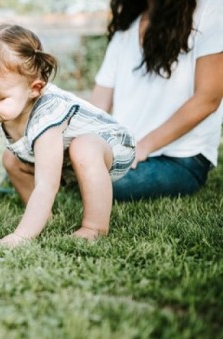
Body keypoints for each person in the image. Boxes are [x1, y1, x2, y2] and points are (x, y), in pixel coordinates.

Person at [0, 24, 136, 246]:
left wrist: (20, 236)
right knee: (11, 158)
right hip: (67, 154)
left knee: (83, 148)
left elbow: (46, 184)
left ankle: (94, 226)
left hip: (111, 145)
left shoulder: (47, 115)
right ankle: (44, 217)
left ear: (34, 88)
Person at [89, 0, 223, 201]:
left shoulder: (211, 11)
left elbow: (208, 99)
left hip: (182, 158)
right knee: (79, 167)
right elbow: (98, 104)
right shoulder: (125, 32)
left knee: (99, 182)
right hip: (124, 154)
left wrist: (143, 147)